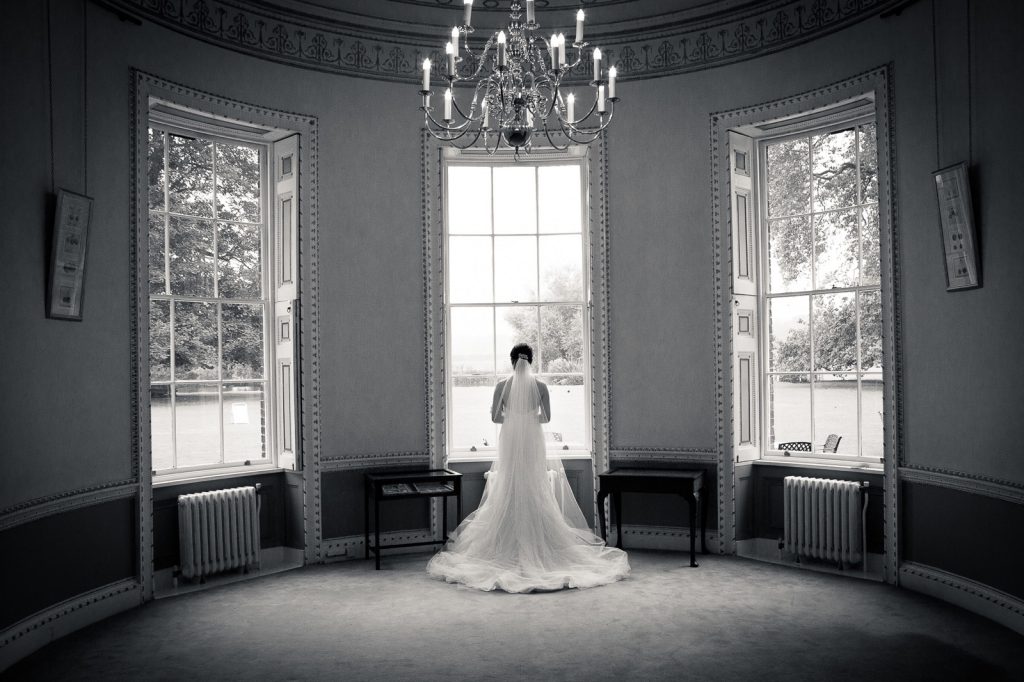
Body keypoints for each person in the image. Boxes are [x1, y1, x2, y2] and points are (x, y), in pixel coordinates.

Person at [426, 343, 630, 592]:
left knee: (510, 482)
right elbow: (546, 418)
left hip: (511, 438)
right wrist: (527, 418)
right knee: (535, 483)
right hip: (533, 439)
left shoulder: (502, 385)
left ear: (512, 361)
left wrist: (514, 418)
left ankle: (509, 538)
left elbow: (494, 418)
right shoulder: (541, 387)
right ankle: (539, 540)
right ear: (530, 361)